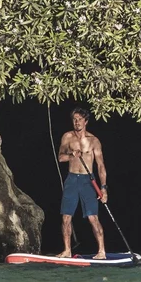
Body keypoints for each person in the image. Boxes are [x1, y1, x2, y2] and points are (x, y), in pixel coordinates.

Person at [57, 106, 108, 259]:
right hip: (72, 179)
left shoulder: (94, 141)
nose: (77, 122)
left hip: (88, 180)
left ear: (86, 122)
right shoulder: (67, 137)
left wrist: (103, 188)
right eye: (75, 119)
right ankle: (67, 250)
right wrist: (72, 154)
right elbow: (60, 158)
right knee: (66, 217)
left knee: (93, 218)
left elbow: (100, 165)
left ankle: (101, 252)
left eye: (80, 119)